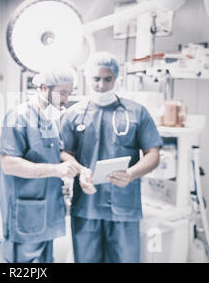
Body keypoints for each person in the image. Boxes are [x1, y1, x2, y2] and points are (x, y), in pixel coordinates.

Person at [59, 52, 162, 263]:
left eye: (108, 79)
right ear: (88, 79)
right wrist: (80, 170)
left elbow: (153, 153)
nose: (101, 85)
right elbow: (63, 152)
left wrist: (132, 173)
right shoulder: (73, 113)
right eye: (96, 79)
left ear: (116, 78)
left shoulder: (136, 113)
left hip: (125, 207)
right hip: (86, 206)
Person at [0, 69, 80, 263]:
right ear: (44, 88)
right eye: (63, 93)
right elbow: (8, 164)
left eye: (69, 93)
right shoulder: (18, 117)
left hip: (48, 211)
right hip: (26, 213)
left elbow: (56, 152)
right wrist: (56, 170)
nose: (66, 100)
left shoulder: (50, 119)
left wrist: (79, 169)